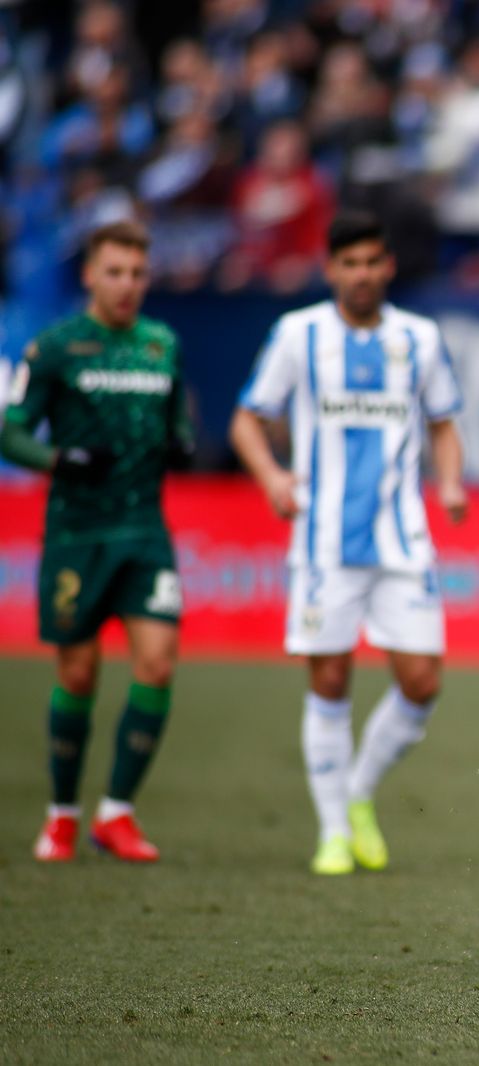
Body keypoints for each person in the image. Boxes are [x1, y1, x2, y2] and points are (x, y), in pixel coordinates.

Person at [229, 211, 468, 875]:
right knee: (329, 678)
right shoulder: (297, 334)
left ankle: (357, 795)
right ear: (331, 269)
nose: (361, 274)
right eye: (349, 263)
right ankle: (333, 830)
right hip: (324, 542)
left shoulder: (419, 338)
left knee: (422, 682)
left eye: (372, 262)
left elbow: (443, 424)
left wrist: (448, 482)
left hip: (402, 540)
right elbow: (248, 421)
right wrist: (273, 478)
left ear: (388, 266)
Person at [2, 219, 193, 864]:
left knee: (158, 664)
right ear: (89, 275)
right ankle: (61, 816)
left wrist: (186, 441)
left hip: (145, 534)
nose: (128, 286)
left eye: (138, 274)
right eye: (115, 272)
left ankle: (117, 813)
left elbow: (178, 421)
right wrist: (58, 459)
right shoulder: (55, 347)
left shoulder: (162, 343)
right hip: (77, 536)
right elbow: (11, 430)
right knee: (78, 674)